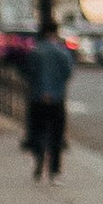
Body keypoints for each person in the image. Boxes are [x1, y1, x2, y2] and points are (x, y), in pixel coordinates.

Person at [23, 25, 74, 183]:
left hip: (37, 98)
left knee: (38, 130)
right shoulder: (62, 52)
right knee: (56, 134)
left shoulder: (35, 52)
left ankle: (39, 157)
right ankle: (54, 170)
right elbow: (68, 72)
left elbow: (28, 73)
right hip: (56, 98)